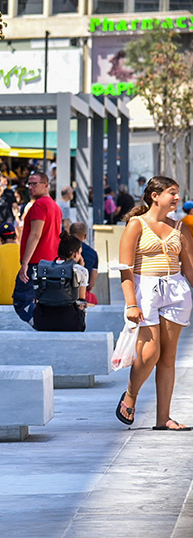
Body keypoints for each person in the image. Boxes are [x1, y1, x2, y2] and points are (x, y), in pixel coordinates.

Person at [116, 176, 193, 431]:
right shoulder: (136, 225)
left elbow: (191, 270)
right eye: (172, 192)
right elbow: (125, 270)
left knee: (168, 358)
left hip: (176, 291)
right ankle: (131, 394)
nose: (177, 198)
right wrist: (131, 303)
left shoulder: (181, 228)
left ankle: (164, 418)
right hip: (145, 290)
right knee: (149, 354)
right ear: (155, 196)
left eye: (178, 193)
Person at [13, 172, 62, 323]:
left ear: (46, 185)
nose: (30, 187)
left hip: (36, 262)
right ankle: (45, 324)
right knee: (42, 299)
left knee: (21, 300)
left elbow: (35, 234)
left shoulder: (39, 205)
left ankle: (38, 324)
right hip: (51, 261)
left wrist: (25, 263)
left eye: (35, 184)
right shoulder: (55, 206)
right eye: (29, 184)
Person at [31, 231, 88, 332]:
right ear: (76, 254)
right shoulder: (81, 270)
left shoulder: (45, 268)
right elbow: (81, 300)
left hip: (43, 321)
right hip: (70, 322)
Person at [70, 222, 99, 304]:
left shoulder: (61, 248)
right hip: (82, 293)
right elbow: (91, 284)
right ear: (85, 236)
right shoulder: (92, 253)